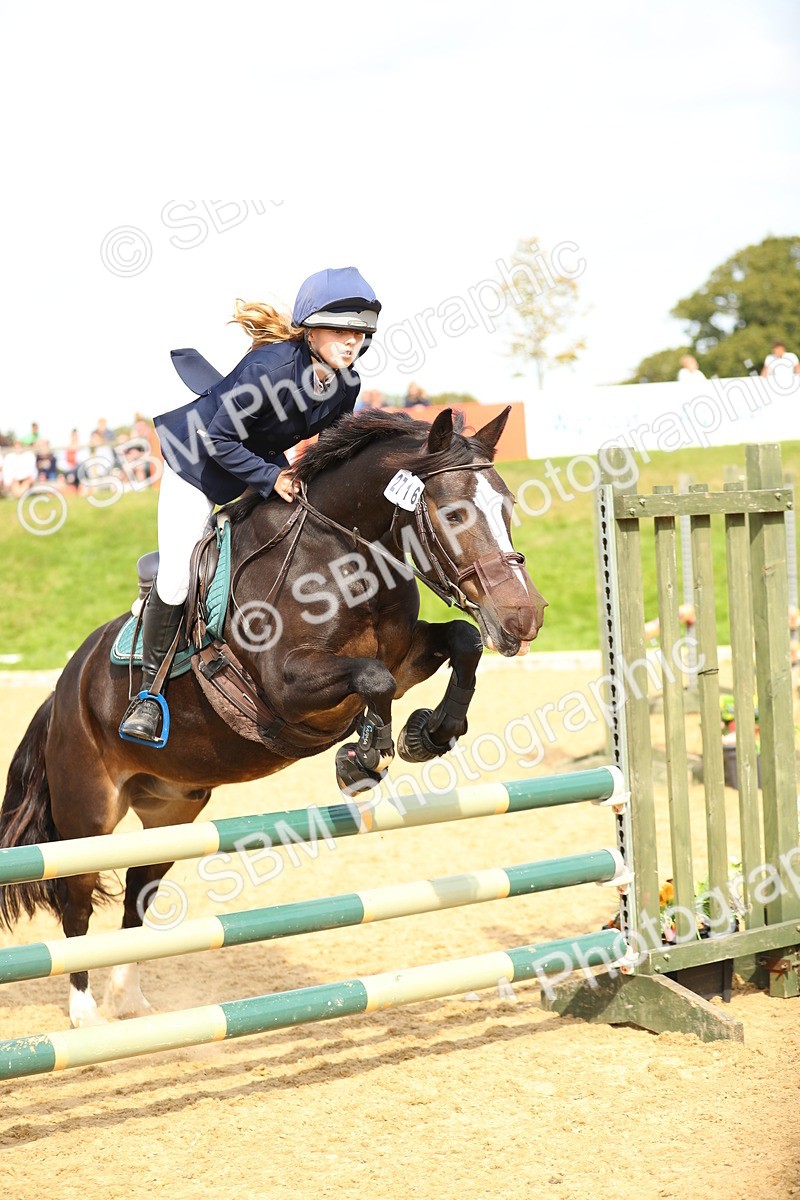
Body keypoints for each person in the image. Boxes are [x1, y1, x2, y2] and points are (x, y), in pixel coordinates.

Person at [119, 266, 381, 745]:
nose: (352, 342)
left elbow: (331, 448)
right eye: (342, 330)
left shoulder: (346, 385)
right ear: (312, 329)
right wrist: (270, 477)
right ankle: (148, 697)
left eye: (360, 333)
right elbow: (218, 438)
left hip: (261, 465)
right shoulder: (270, 369)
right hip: (197, 463)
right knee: (178, 578)